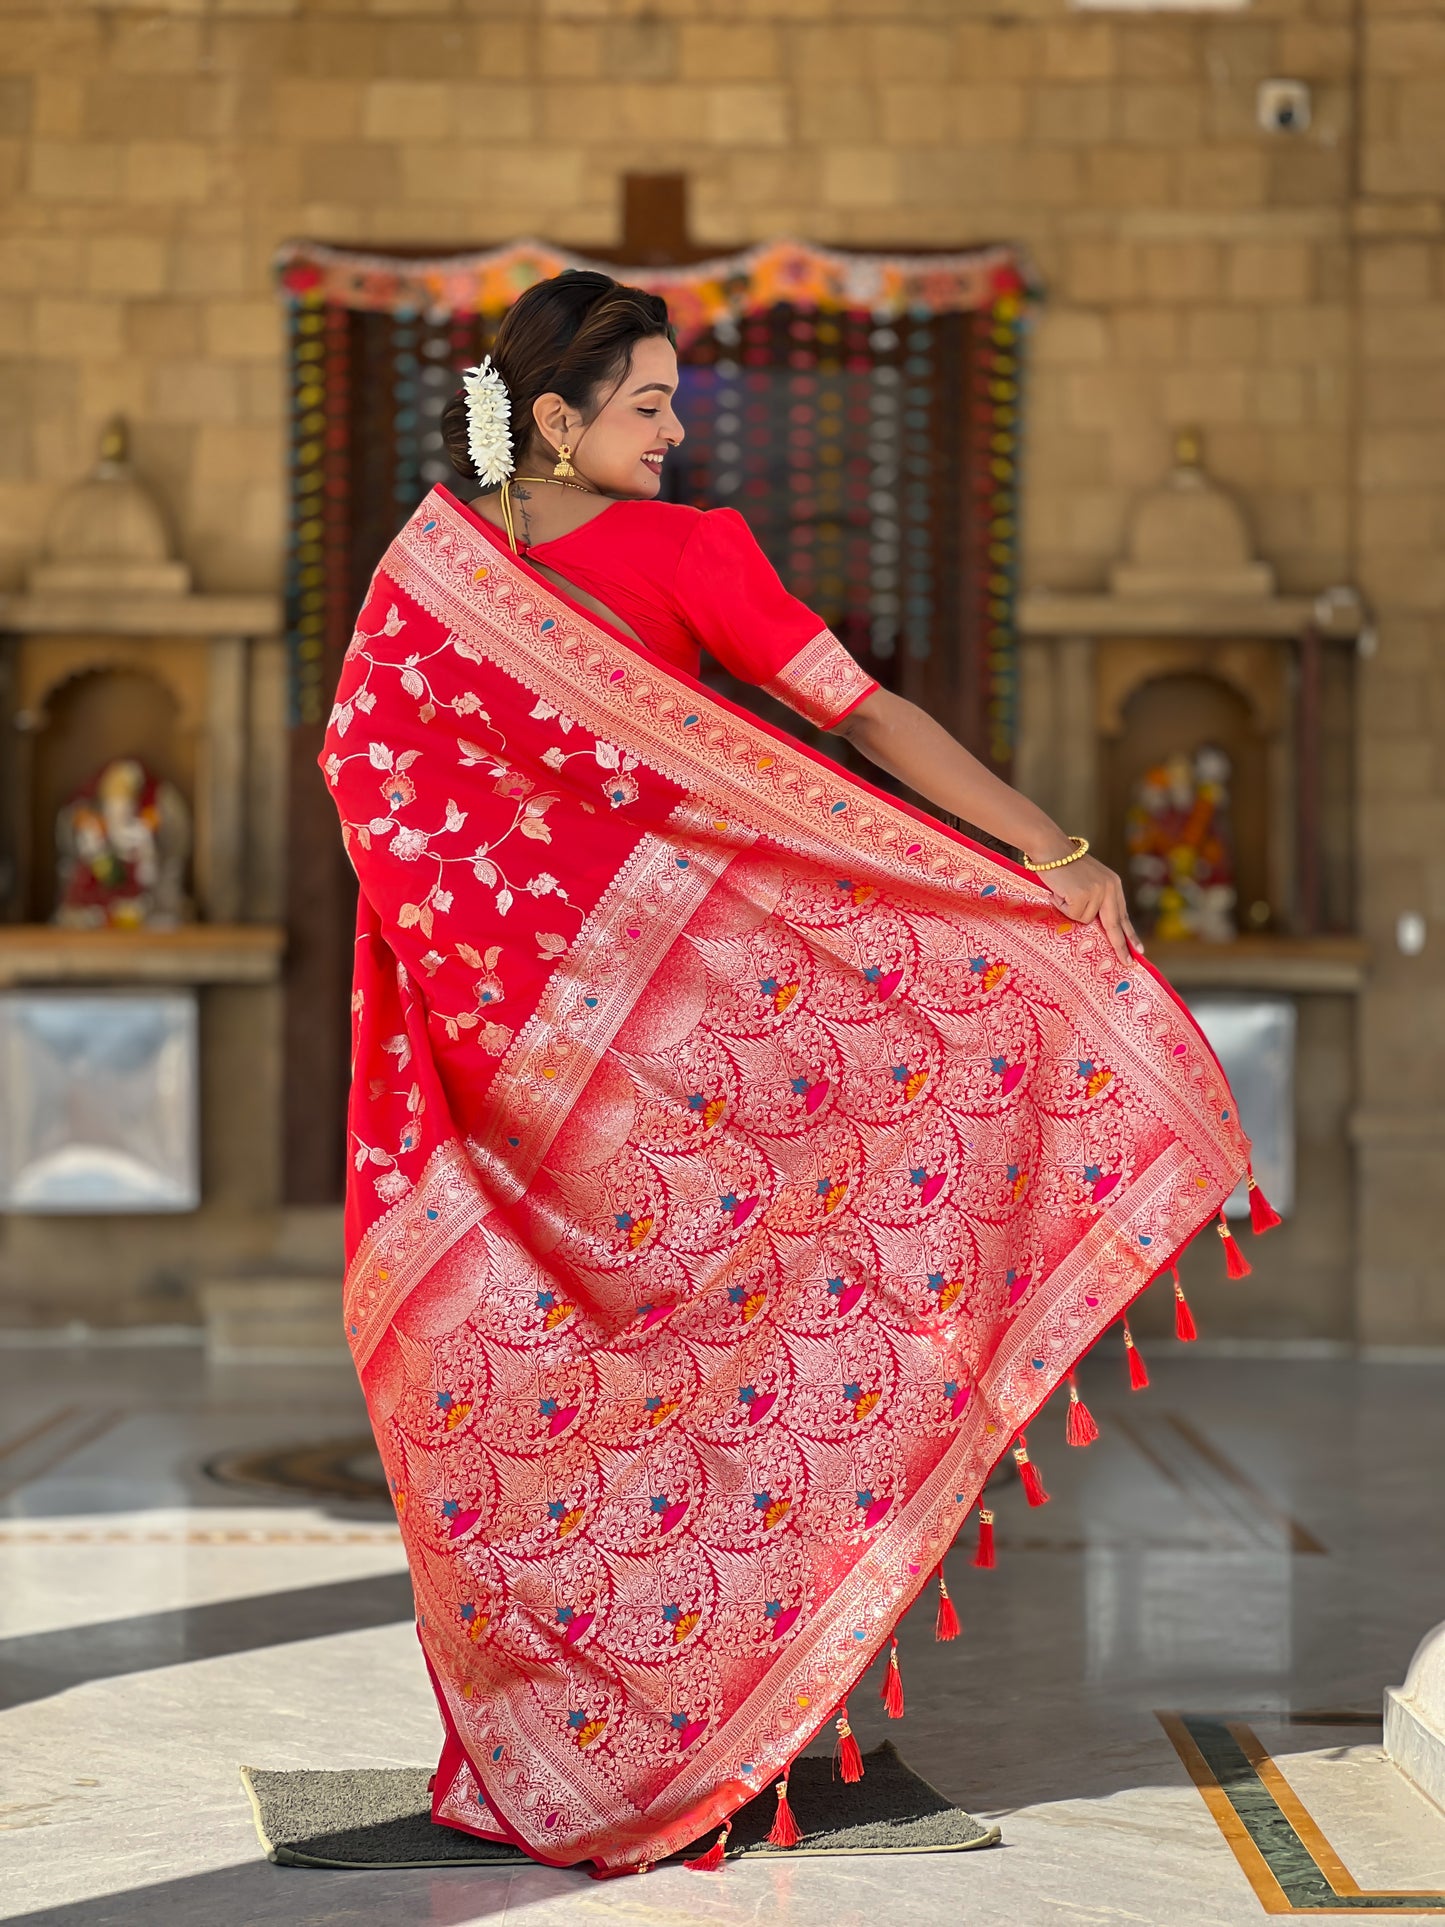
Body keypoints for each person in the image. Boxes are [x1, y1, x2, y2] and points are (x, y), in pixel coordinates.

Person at [322, 269, 1254, 1878]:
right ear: (550, 417)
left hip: (699, 1102)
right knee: (526, 1417)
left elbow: (860, 720)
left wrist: (1053, 856)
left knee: (709, 1411)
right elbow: (381, 778)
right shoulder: (438, 578)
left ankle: (779, 1735)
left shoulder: (665, 554)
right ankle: (547, 1753)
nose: (678, 435)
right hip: (531, 1105)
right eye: (648, 406)